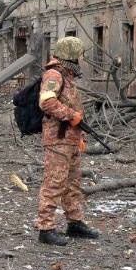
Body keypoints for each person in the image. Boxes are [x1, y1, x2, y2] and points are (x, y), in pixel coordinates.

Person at [35, 36, 100, 246]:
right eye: (79, 54)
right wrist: (70, 115)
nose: (81, 58)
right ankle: (46, 229)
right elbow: (47, 102)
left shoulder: (67, 75)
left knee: (72, 184)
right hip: (57, 140)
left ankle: (75, 223)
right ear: (70, 54)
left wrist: (79, 136)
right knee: (54, 184)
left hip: (69, 140)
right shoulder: (54, 74)